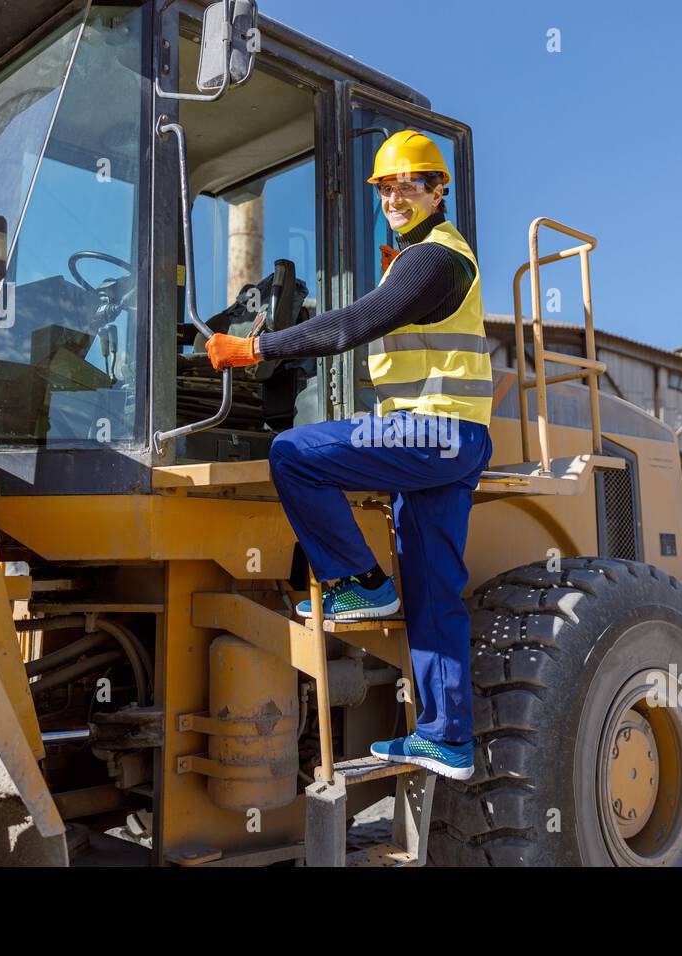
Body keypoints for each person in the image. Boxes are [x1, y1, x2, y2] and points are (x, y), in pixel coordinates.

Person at [204, 131, 492, 780]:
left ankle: (361, 585)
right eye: (386, 187)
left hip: (436, 435)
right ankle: (446, 739)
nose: (395, 196)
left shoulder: (434, 260)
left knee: (295, 454)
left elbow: (349, 327)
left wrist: (255, 349)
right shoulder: (418, 258)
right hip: (452, 441)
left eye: (410, 184)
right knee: (434, 589)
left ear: (439, 190)